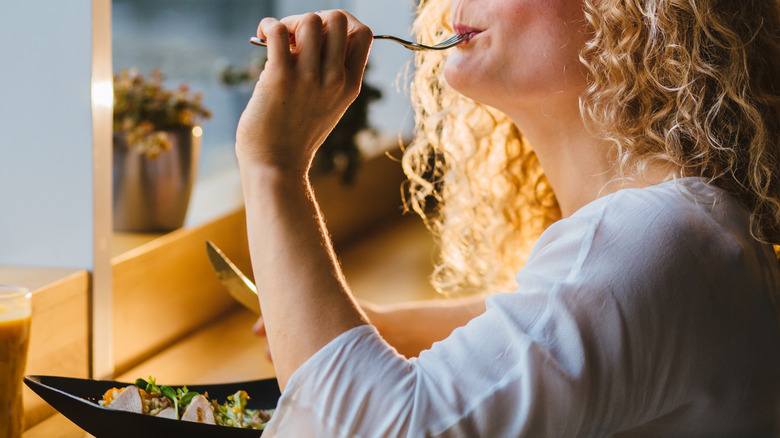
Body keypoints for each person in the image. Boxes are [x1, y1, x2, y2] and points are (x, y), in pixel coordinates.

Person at [235, 0, 780, 434]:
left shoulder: (657, 239)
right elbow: (549, 319)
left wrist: (273, 167)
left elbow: (366, 431)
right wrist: (384, 328)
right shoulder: (686, 227)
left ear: (636, 12)